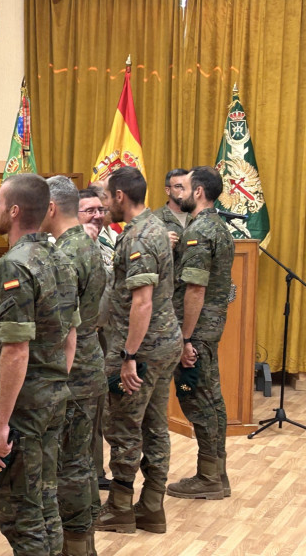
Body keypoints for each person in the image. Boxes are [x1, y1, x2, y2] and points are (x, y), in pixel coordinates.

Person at [0, 173, 78, 556]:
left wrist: (1, 423)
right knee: (44, 501)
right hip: (53, 395)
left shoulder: (15, 266)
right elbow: (71, 336)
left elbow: (15, 350)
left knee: (19, 511)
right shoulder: (60, 258)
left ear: (15, 210)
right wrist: (54, 384)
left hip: (22, 406)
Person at [94, 167, 182, 536]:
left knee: (124, 428)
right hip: (164, 345)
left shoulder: (140, 238)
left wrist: (129, 356)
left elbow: (141, 302)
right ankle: (152, 507)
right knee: (154, 425)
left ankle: (119, 509)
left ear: (119, 196)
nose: (102, 204)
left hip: (142, 350)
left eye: (104, 197)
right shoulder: (153, 228)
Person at [43, 176, 107, 556]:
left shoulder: (65, 253)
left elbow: (61, 326)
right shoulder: (86, 242)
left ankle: (76, 544)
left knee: (69, 464)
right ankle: (84, 541)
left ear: (51, 207)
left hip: (72, 368)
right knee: (80, 459)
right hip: (89, 361)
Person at [167, 166, 234, 501]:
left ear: (199, 192)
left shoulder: (200, 231)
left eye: (186, 187)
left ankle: (209, 477)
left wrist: (186, 338)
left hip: (197, 331)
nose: (179, 192)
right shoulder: (216, 227)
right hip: (210, 327)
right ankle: (216, 472)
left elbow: (194, 289)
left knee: (196, 398)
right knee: (213, 399)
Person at [77, 187, 112, 491]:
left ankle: (95, 472)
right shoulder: (65, 247)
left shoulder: (108, 241)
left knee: (97, 413)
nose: (98, 215)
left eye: (100, 209)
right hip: (72, 342)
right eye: (89, 210)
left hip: (99, 339)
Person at [152, 168, 191, 257]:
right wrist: (162, 246)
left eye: (186, 186)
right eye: (178, 186)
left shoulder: (197, 216)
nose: (183, 190)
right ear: (168, 190)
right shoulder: (155, 219)